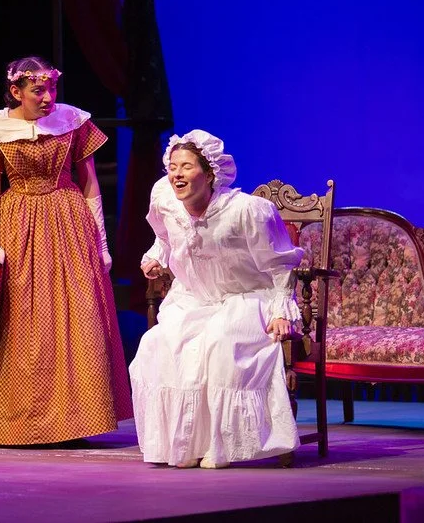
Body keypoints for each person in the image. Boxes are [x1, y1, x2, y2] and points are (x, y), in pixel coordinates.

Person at [0, 56, 133, 446]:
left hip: (68, 217)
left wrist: (101, 242)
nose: (48, 98)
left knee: (80, 315)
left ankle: (81, 418)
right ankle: (23, 423)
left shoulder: (73, 121)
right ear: (16, 92)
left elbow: (90, 183)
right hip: (20, 221)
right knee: (26, 319)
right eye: (38, 90)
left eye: (52, 88)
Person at [129, 129, 303, 468]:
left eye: (187, 167)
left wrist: (282, 309)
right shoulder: (164, 199)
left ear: (210, 174)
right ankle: (185, 445)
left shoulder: (248, 211)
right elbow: (164, 238)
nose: (177, 175)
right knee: (157, 344)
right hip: (193, 299)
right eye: (173, 167)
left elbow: (280, 263)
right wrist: (156, 258)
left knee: (220, 343)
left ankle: (221, 446)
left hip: (247, 298)